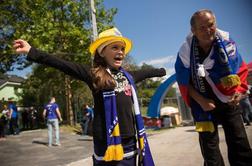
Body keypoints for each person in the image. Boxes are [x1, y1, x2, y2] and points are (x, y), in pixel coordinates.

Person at [13, 27, 166, 165]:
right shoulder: (93, 75)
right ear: (101, 51)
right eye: (115, 47)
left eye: (122, 48)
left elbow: (147, 73)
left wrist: (161, 71)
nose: (121, 52)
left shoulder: (129, 76)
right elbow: (59, 63)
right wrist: (31, 51)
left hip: (130, 141)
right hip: (106, 143)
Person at [175, 9, 252, 166]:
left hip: (229, 100)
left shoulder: (228, 43)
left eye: (210, 25)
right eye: (202, 27)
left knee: (240, 143)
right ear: (193, 30)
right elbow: (183, 81)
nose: (208, 30)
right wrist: (201, 100)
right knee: (210, 151)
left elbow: (240, 70)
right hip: (203, 104)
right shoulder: (185, 51)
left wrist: (238, 92)